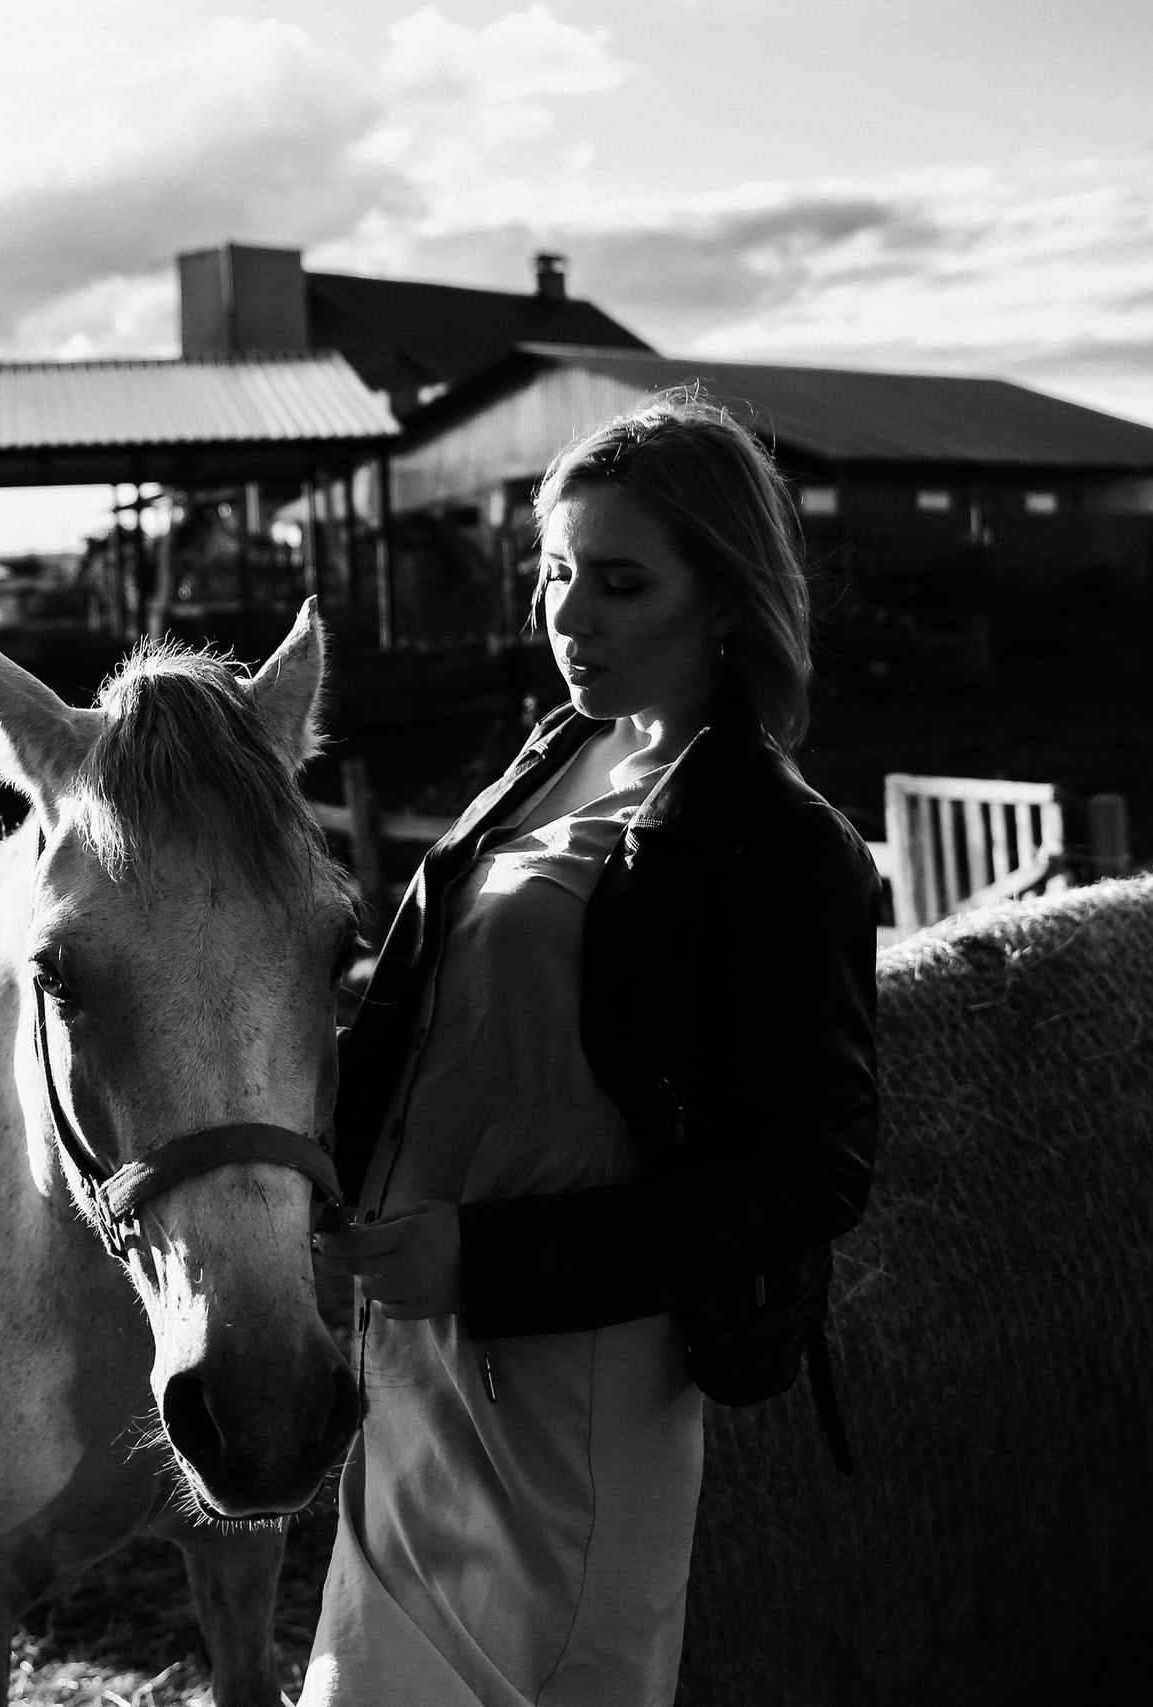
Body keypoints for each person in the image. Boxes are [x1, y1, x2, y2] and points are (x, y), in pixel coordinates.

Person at [306, 389, 882, 1706]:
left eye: (620, 582)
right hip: (413, 1362)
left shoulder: (782, 846)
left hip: (574, 1390)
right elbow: (424, 1021)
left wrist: (487, 1261)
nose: (568, 616)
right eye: (557, 573)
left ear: (725, 595)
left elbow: (815, 1173)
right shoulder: (554, 756)